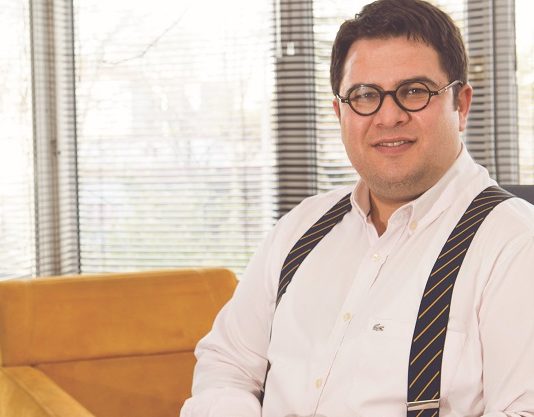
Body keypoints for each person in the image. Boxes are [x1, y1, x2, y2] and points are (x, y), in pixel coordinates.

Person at [180, 0, 534, 416]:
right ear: (339, 112)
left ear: (462, 104)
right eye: (365, 95)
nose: (388, 117)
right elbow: (228, 364)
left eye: (414, 91)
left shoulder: (516, 244)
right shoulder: (300, 228)